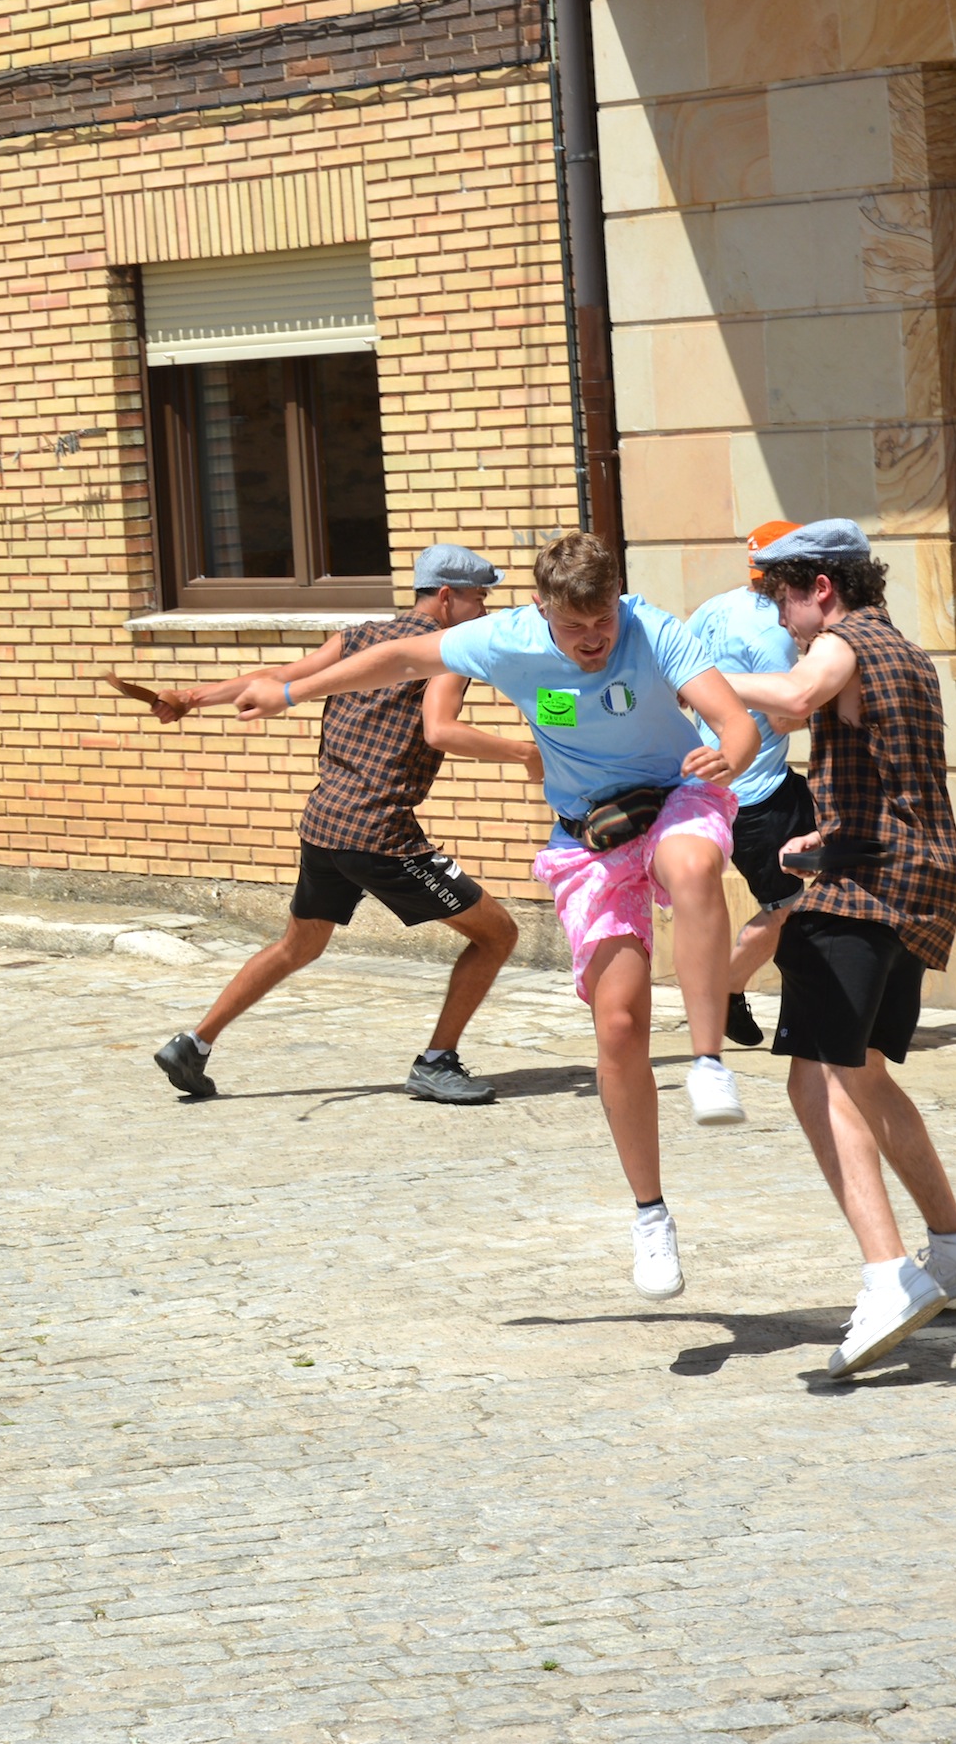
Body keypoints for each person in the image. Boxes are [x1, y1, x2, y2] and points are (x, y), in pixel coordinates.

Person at [233, 532, 759, 1302]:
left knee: (687, 867)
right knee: (617, 1027)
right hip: (590, 833)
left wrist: (730, 754)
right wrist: (287, 689)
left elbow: (733, 718)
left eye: (601, 621)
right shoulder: (503, 638)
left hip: (676, 797)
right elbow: (401, 660)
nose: (591, 640)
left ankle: (709, 1063)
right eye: (574, 625)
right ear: (541, 609)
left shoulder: (652, 628)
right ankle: (649, 1214)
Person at [725, 520, 956, 1374]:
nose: (777, 615)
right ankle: (954, 1246)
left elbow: (797, 696)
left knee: (818, 1078)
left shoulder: (843, 640)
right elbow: (891, 771)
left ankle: (887, 1274)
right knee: (865, 1071)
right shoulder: (905, 649)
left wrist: (694, 682)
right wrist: (825, 839)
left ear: (820, 586)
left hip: (869, 889)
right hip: (913, 880)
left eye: (779, 594)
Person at [147, 545, 530, 1107]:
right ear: (446, 598)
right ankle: (435, 1062)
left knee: (298, 945)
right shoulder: (449, 653)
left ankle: (194, 1044)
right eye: (479, 598)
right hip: (379, 832)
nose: (485, 610)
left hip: (325, 822)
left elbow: (278, 678)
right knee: (498, 935)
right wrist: (525, 752)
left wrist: (191, 697)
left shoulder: (357, 637)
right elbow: (441, 732)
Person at [687, 521, 818, 1050]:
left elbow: (679, 676)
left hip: (750, 783)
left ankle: (826, 992)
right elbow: (788, 718)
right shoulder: (773, 632)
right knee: (785, 903)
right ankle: (724, 988)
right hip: (754, 793)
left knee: (842, 873)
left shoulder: (717, 607)